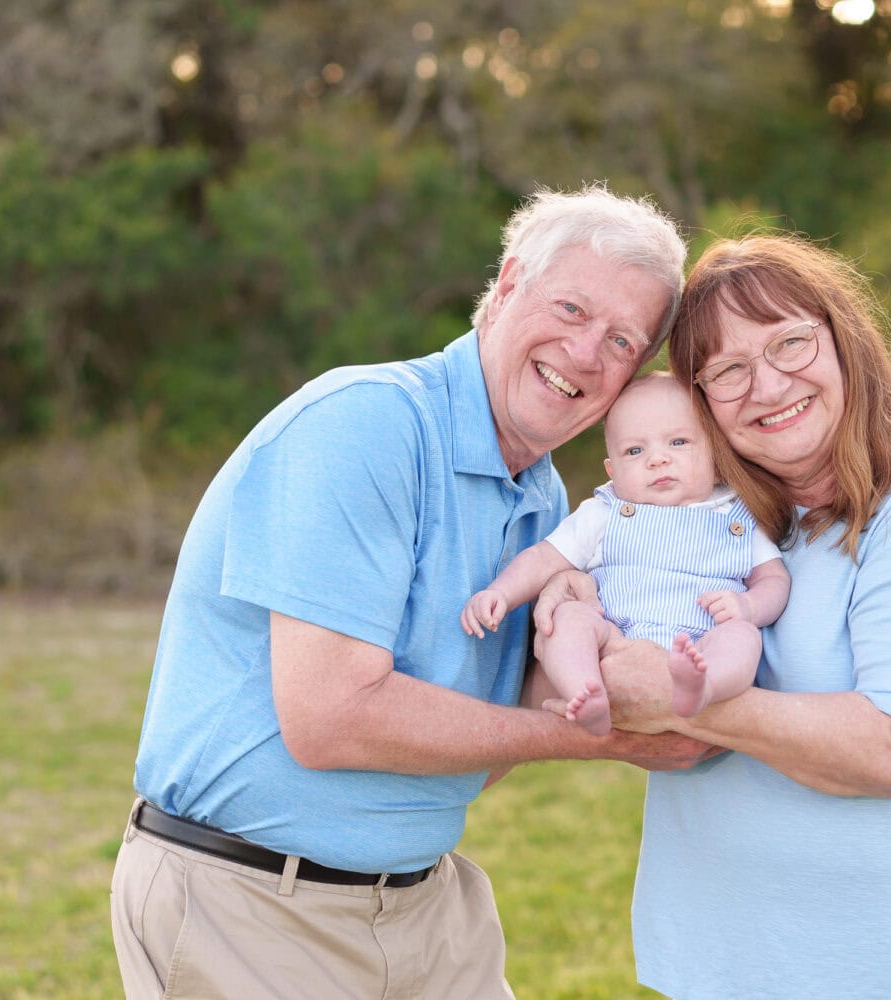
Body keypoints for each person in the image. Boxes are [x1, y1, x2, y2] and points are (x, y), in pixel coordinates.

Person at [108, 185, 709, 1000]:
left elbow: (482, 745)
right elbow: (330, 718)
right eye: (569, 308)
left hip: (427, 911)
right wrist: (602, 741)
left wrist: (628, 674)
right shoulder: (368, 426)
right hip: (248, 907)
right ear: (504, 288)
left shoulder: (547, 508)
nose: (584, 351)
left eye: (621, 340)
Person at [539, 234, 891, 999]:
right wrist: (560, 600)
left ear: (846, 345)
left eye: (790, 344)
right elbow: (586, 664)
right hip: (718, 967)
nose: (767, 386)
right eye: (728, 372)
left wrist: (690, 703)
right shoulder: (714, 528)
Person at [461, 372, 791, 736]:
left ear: (716, 456)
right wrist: (501, 593)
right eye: (635, 451)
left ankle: (704, 688)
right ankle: (586, 692)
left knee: (742, 637)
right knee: (567, 618)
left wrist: (748, 607)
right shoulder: (604, 512)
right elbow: (544, 557)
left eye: (679, 442)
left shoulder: (738, 518)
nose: (657, 460)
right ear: (612, 471)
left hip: (702, 641)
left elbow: (773, 579)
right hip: (613, 638)